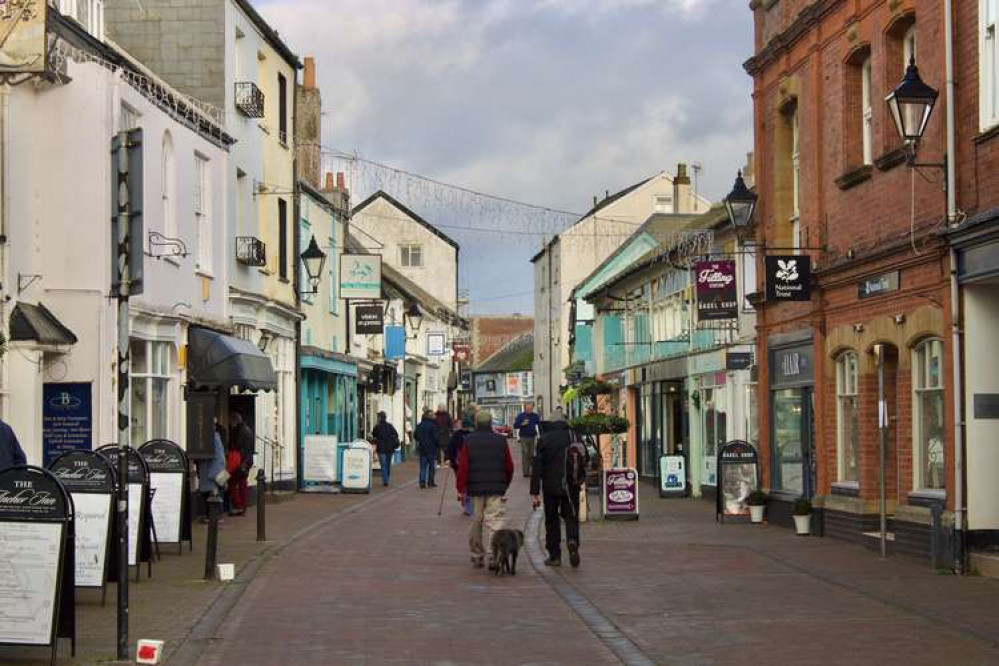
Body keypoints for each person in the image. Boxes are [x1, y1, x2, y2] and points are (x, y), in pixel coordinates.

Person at [457, 410, 514, 570]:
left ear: (476, 423)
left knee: (477, 520)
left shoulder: (469, 440)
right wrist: (505, 484)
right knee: (494, 521)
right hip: (496, 487)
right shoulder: (500, 441)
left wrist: (461, 488)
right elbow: (509, 466)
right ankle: (493, 554)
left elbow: (463, 466)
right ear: (491, 423)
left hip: (475, 488)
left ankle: (477, 554)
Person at [531, 412, 586, 568]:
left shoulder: (544, 439)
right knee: (571, 517)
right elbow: (585, 457)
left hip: (550, 487)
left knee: (552, 520)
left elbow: (537, 467)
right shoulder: (574, 436)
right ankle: (572, 540)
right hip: (571, 486)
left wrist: (534, 492)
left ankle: (554, 556)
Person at [197, 419, 227, 523]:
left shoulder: (213, 437)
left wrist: (214, 474)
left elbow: (219, 456)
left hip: (212, 471)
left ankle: (214, 517)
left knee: (212, 494)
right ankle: (214, 516)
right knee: (213, 494)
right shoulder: (214, 436)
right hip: (213, 470)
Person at [446, 412, 475, 516]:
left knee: (463, 484)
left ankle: (465, 503)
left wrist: (449, 459)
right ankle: (469, 505)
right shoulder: (474, 435)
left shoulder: (456, 435)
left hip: (458, 465)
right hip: (472, 465)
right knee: (470, 484)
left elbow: (450, 448)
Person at [228, 411, 255, 516]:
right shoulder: (248, 429)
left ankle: (238, 505)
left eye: (231, 421)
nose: (230, 423)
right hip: (247, 461)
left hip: (240, 461)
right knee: (243, 483)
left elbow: (237, 446)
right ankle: (243, 506)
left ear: (234, 421)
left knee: (231, 483)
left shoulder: (239, 430)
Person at [371, 411, 400, 487]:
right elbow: (396, 434)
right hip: (390, 448)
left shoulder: (377, 427)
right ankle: (386, 478)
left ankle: (385, 480)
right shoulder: (390, 426)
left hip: (381, 448)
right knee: (387, 464)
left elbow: (373, 435)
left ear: (379, 418)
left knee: (383, 465)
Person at [512, 403, 541, 478]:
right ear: (525, 409)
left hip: (532, 437)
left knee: (531, 454)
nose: (529, 410)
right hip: (524, 437)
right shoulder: (521, 416)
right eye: (528, 409)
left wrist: (541, 435)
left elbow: (540, 425)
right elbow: (515, 426)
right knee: (525, 453)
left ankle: (532, 471)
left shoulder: (535, 416)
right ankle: (526, 472)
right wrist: (522, 424)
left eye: (531, 409)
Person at [414, 409, 439, 489]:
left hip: (422, 448)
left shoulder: (419, 425)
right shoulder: (433, 426)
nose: (434, 416)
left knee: (423, 466)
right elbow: (436, 438)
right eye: (433, 415)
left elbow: (415, 436)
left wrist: (421, 440)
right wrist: (437, 444)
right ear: (429, 416)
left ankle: (422, 482)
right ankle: (430, 482)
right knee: (432, 466)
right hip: (431, 449)